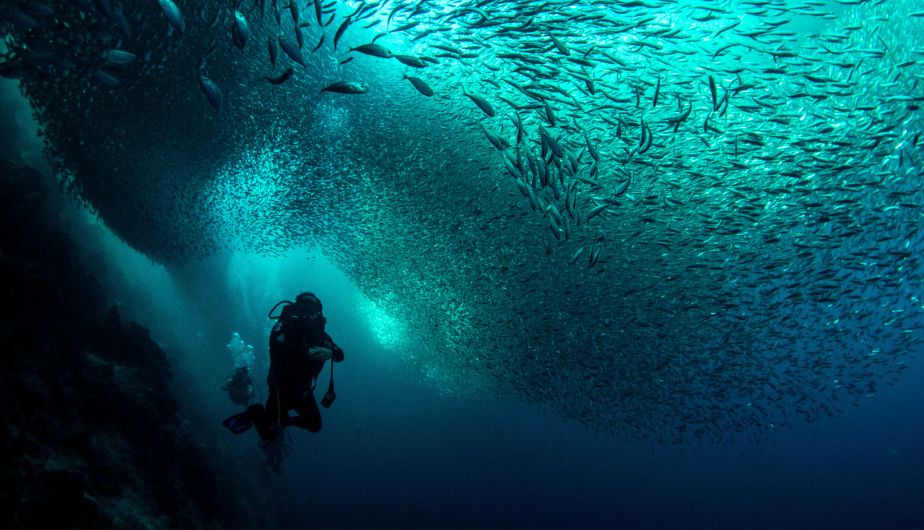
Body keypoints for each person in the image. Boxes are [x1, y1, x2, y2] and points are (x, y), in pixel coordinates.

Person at [223, 292, 344, 442]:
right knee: (268, 435)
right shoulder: (285, 328)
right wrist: (307, 351)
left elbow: (340, 355)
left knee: (314, 425)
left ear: (317, 313)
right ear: (296, 308)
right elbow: (276, 345)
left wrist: (330, 352)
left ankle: (280, 421)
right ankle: (258, 413)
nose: (307, 312)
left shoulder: (322, 337)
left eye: (311, 309)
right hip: (281, 389)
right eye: (303, 307)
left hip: (303, 392)